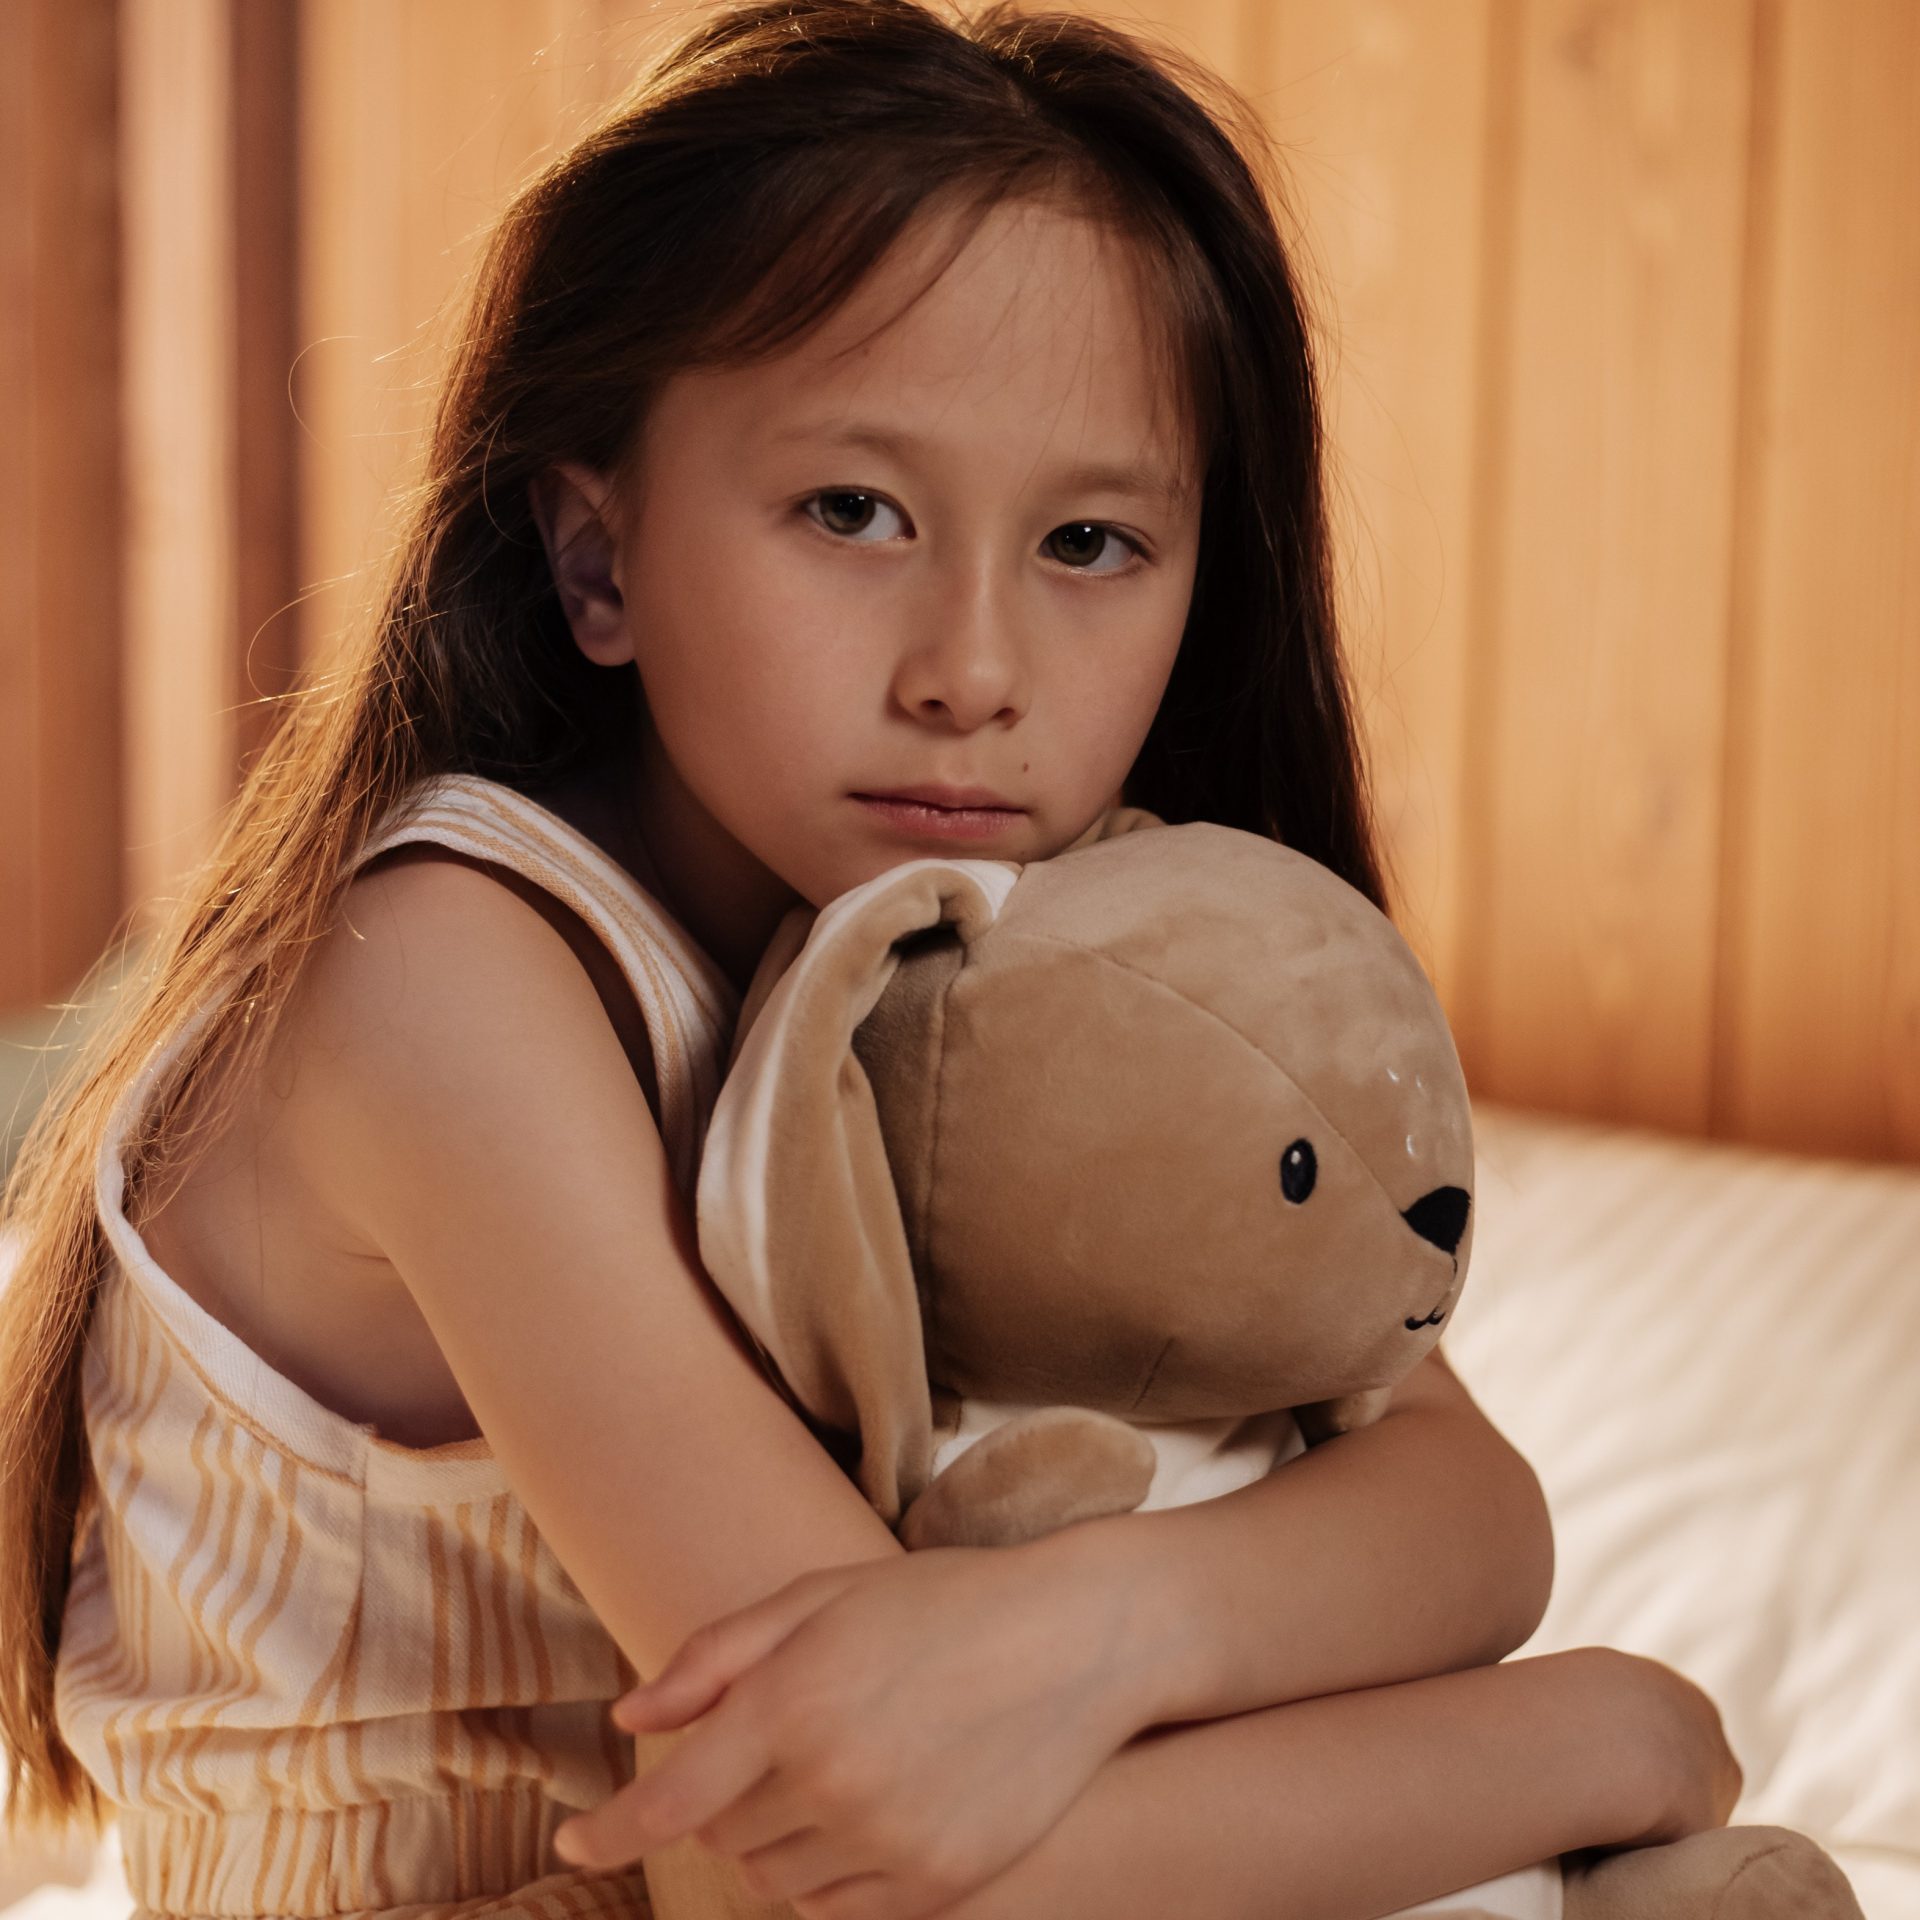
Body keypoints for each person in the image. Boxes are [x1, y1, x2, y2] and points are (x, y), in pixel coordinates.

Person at [0, 3, 1743, 1918]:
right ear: (598, 562)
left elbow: (1461, 1506)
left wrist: (1096, 1632)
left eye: (1090, 541)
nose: (973, 672)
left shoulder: (1022, 958)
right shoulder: (443, 977)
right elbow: (903, 1874)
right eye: (853, 511)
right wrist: (1605, 1736)